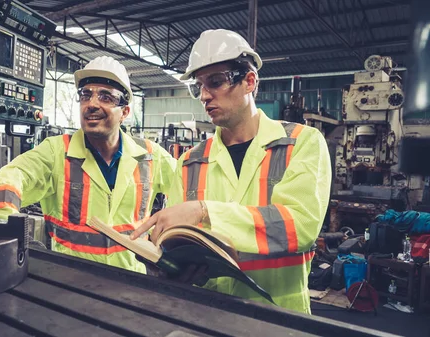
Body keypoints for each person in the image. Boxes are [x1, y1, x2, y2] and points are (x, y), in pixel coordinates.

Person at [130, 29, 332, 313]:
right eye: (198, 86)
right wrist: (164, 262)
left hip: (278, 316)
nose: (203, 95)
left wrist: (205, 211)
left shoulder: (302, 143)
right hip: (206, 312)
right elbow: (179, 241)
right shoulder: (190, 162)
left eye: (215, 82)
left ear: (249, 81)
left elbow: (300, 226)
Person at [0, 56, 176, 273]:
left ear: (124, 112)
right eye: (85, 95)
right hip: (70, 283)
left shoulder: (151, 156)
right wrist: (4, 228)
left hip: (132, 283)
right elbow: (10, 177)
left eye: (105, 96)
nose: (92, 104)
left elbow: (188, 195)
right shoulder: (57, 152)